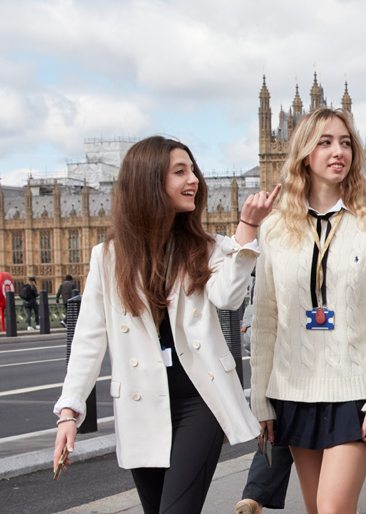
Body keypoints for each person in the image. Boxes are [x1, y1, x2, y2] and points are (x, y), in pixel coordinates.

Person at [52, 136, 278, 514]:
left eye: (193, 170)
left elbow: (228, 297)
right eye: (180, 171)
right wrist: (69, 413)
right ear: (148, 182)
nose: (194, 180)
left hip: (200, 400)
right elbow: (89, 337)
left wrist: (246, 230)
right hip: (140, 407)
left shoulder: (207, 247)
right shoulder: (107, 257)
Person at [244, 107, 366, 514]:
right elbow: (265, 320)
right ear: (304, 154)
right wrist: (260, 400)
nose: (339, 152)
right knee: (317, 510)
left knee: (334, 508)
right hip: (293, 389)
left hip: (355, 391)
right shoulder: (275, 229)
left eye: (346, 143)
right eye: (325, 142)